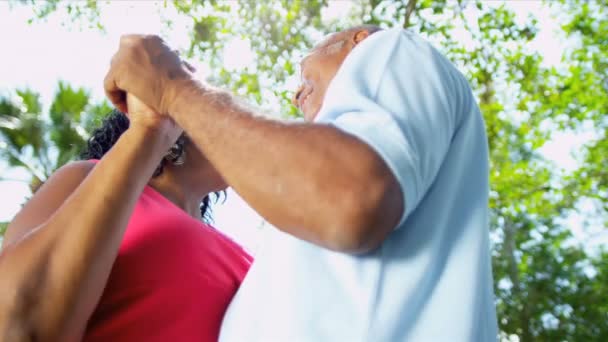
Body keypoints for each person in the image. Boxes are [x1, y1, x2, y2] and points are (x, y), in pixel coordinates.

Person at [103, 24, 498, 341]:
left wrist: (175, 89)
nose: (295, 93)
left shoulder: (390, 49)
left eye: (304, 69)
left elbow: (349, 197)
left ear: (357, 40)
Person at [0, 94, 252, 341]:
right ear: (177, 135)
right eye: (218, 115)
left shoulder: (241, 252)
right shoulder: (86, 177)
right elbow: (18, 320)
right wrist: (151, 132)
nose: (236, 127)